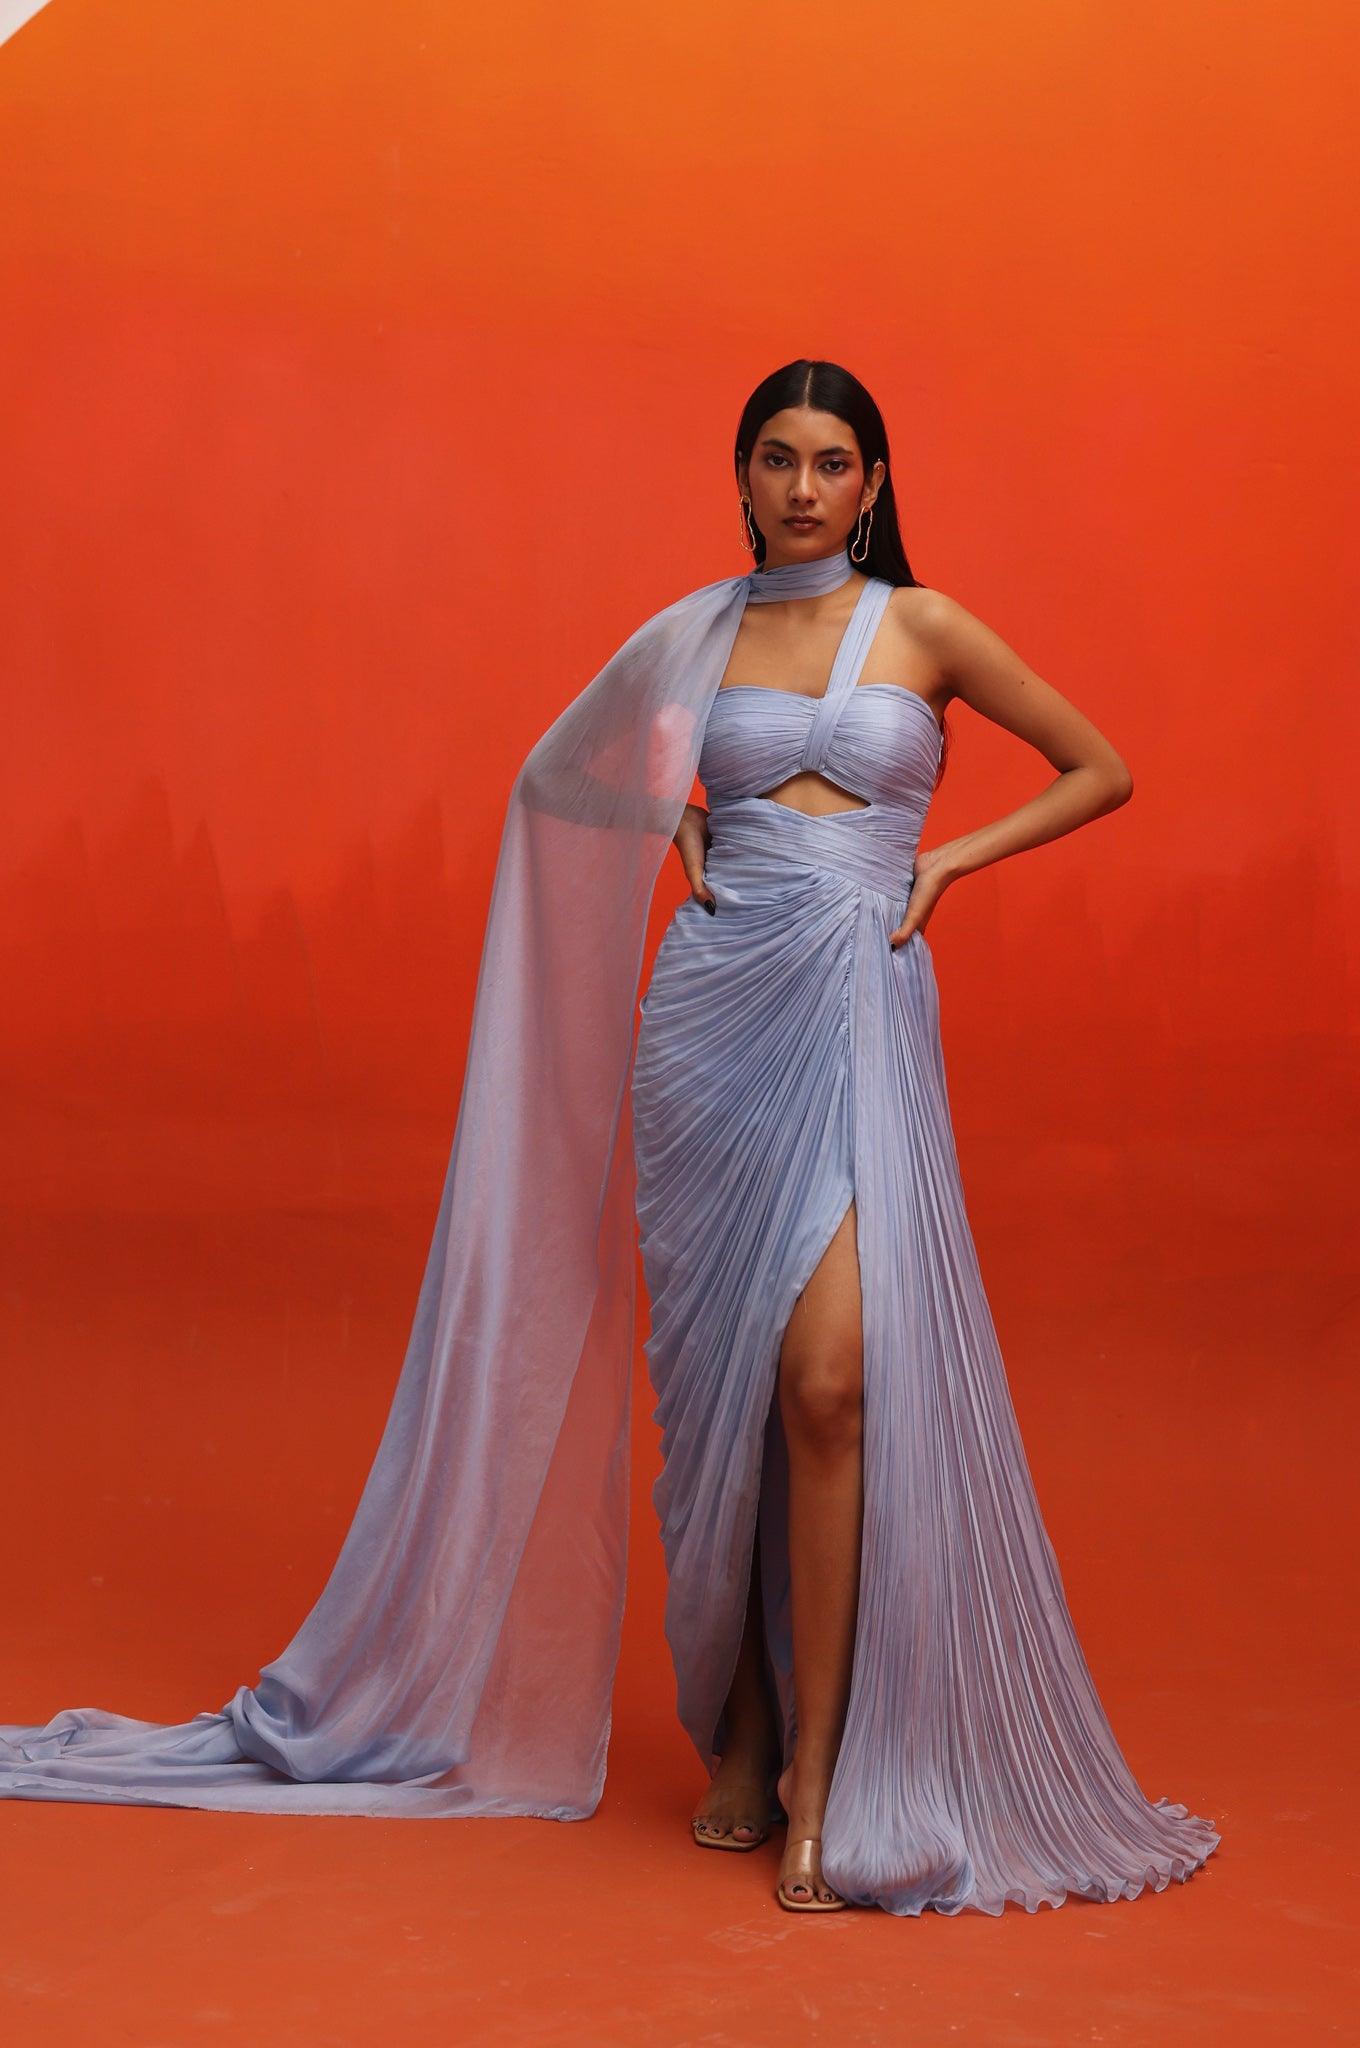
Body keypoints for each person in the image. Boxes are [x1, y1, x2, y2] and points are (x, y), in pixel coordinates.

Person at [0, 358, 1220, 1923]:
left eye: (832, 461)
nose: (802, 487)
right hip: (711, 1025)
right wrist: (673, 816)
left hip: (857, 1010)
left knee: (831, 1383)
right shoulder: (697, 635)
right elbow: (557, 773)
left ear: (872, 482)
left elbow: (1101, 769)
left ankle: (825, 1772)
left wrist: (944, 865)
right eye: (775, 458)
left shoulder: (926, 627)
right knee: (724, 1404)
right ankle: (745, 1726)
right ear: (742, 475)